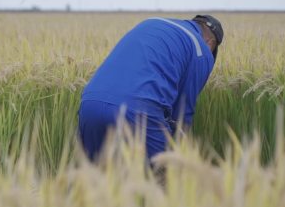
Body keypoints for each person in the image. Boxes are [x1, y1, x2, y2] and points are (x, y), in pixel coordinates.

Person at [78, 15, 224, 162]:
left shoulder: (152, 23)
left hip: (90, 103)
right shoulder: (201, 50)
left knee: (97, 177)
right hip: (139, 109)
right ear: (210, 43)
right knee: (160, 180)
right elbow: (182, 114)